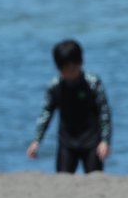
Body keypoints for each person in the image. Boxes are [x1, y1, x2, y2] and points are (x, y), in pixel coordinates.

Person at [26, 39, 112, 173]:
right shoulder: (55, 86)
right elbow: (46, 113)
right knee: (62, 178)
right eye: (64, 70)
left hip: (92, 142)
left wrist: (105, 141)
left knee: (95, 177)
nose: (69, 74)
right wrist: (37, 141)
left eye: (72, 69)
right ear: (58, 68)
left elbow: (104, 112)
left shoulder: (93, 83)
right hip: (67, 143)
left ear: (81, 63)